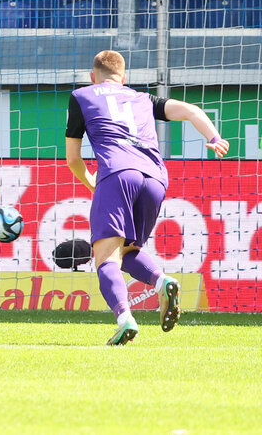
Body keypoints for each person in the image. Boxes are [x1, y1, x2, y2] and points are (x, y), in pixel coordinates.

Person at [65, 50, 228, 345]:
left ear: (92, 76)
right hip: (155, 178)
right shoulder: (142, 98)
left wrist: (93, 185)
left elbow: (73, 160)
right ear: (123, 77)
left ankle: (125, 319)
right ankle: (162, 281)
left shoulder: (81, 96)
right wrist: (214, 138)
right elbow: (191, 110)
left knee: (105, 257)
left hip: (117, 173)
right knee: (127, 251)